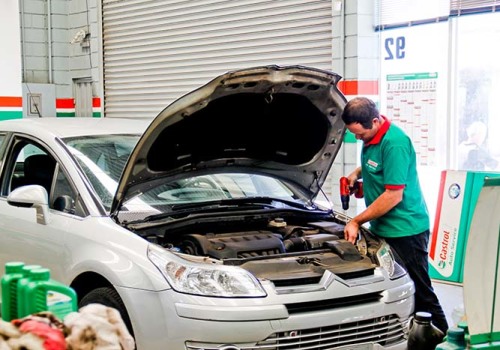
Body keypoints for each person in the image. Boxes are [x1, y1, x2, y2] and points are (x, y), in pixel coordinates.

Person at [341, 97, 449, 334]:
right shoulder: (372, 137)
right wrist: (357, 175)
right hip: (383, 227)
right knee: (394, 290)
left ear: (376, 121)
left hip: (406, 229)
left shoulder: (395, 143)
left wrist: (356, 221)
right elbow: (375, 164)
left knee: (421, 293)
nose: (358, 139)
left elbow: (393, 196)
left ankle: (443, 338)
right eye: (354, 135)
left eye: (360, 135)